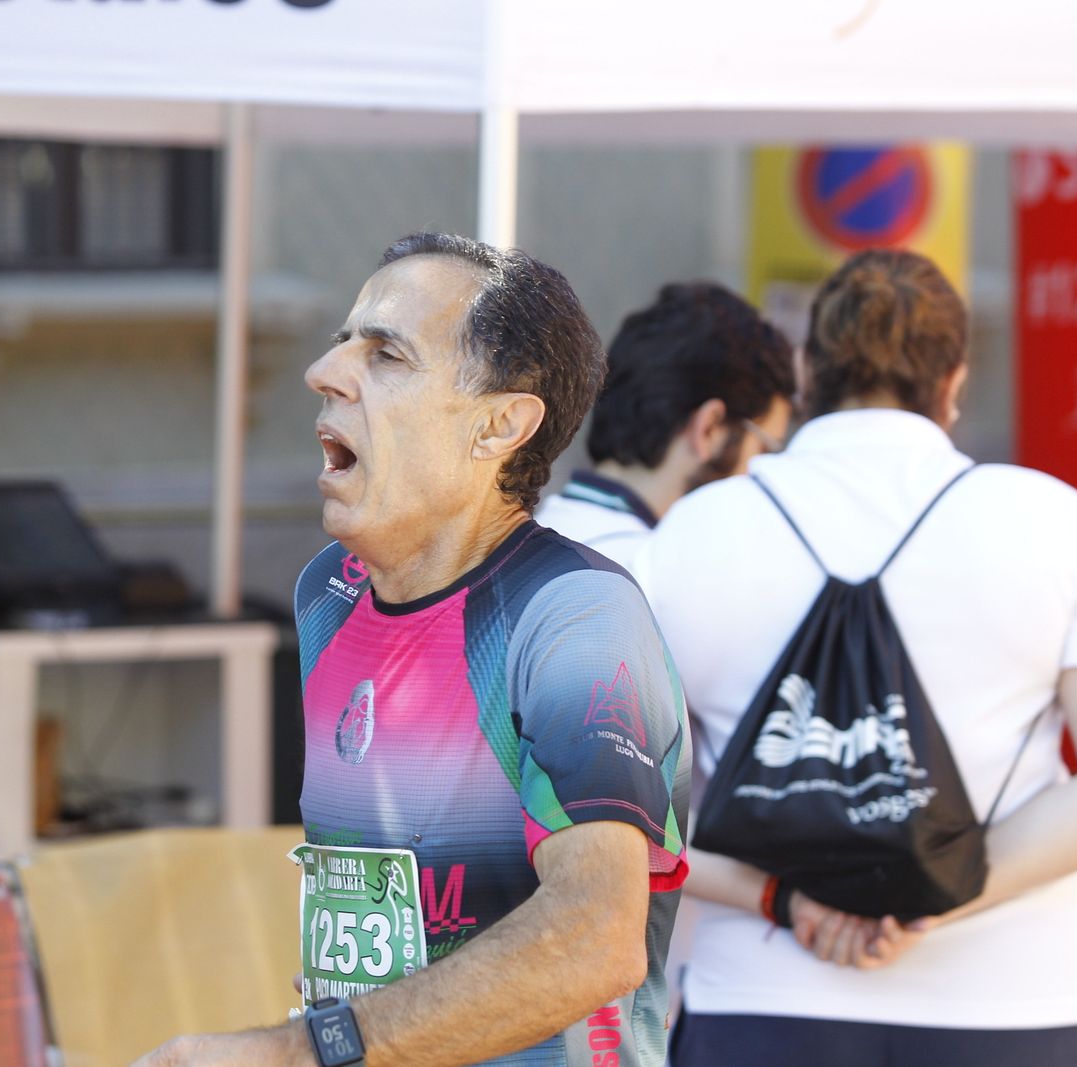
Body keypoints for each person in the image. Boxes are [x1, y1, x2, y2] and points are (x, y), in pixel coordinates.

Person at [134, 232, 691, 1067]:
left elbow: (595, 938)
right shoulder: (329, 593)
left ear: (500, 425)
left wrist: (296, 1051)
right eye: (342, 344)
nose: (327, 375)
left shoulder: (574, 615)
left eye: (387, 354)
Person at [632, 248, 1077, 1066]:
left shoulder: (693, 534)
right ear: (955, 382)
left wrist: (790, 902)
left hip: (764, 1005)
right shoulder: (1053, 523)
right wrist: (934, 900)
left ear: (808, 370)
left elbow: (614, 805)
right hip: (1025, 1004)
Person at [535, 282, 795, 569]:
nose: (761, 475)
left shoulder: (534, 540)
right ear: (709, 428)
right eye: (764, 449)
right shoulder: (649, 582)